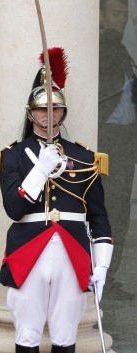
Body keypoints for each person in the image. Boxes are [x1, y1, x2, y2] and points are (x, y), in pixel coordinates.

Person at [0, 53, 112, 353]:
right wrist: (40, 169)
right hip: (29, 252)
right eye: (42, 110)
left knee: (65, 332)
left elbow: (100, 218)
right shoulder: (12, 156)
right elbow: (13, 207)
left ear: (62, 112)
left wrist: (102, 266)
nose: (48, 116)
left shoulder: (84, 157)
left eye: (55, 109)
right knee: (26, 332)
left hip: (73, 253)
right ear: (31, 114)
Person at [98, 0, 135, 295]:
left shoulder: (121, 49)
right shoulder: (101, 48)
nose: (122, 19)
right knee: (105, 211)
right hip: (105, 141)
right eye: (115, 13)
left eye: (125, 13)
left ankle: (109, 275)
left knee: (120, 210)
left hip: (124, 142)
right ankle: (98, 274)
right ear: (99, 16)